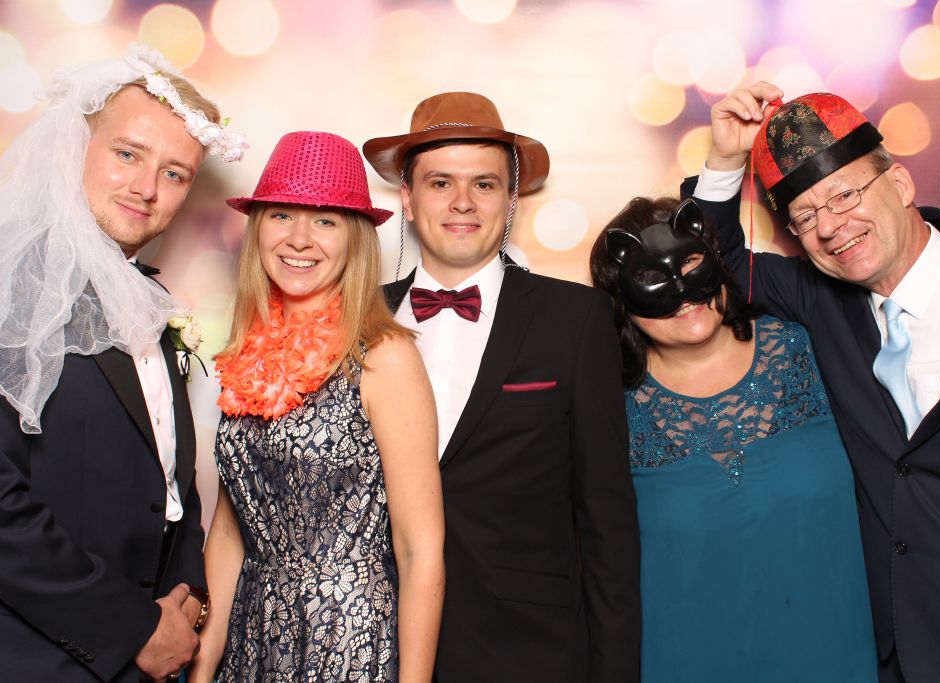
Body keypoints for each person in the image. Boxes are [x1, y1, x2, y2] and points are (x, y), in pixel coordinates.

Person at [688, 82, 940, 682]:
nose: (829, 227)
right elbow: (717, 266)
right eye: (804, 217)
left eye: (844, 195)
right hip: (888, 650)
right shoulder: (820, 299)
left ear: (900, 184)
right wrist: (723, 161)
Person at [362, 92, 641, 683]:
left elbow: (608, 524)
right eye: (440, 183)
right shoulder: (356, 321)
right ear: (407, 198)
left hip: (527, 651)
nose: (462, 201)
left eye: (484, 184)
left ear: (510, 201)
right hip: (371, 643)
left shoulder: (577, 319)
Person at [0, 44, 244, 681]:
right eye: (128, 154)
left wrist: (186, 604)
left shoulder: (147, 301)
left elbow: (168, 482)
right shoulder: (14, 286)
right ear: (76, 145)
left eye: (175, 173)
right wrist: (131, 630)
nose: (146, 189)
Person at [188, 131, 444, 683]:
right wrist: (204, 666)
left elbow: (419, 549)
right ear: (258, 228)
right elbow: (231, 531)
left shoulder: (384, 356)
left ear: (355, 240)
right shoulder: (247, 353)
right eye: (282, 215)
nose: (299, 239)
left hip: (349, 640)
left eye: (325, 220)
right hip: (254, 637)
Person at [590, 196, 877, 682]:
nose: (682, 292)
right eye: (652, 279)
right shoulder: (606, 407)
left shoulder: (811, 347)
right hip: (685, 663)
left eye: (692, 264)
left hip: (836, 654)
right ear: (621, 302)